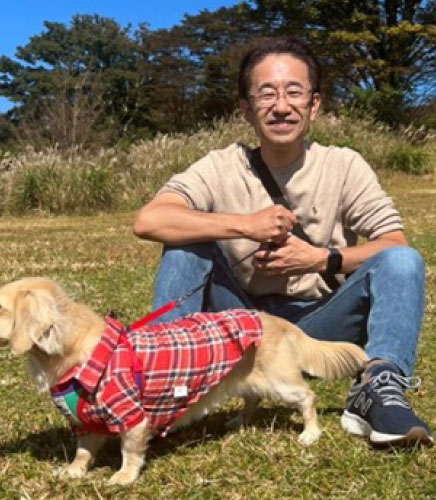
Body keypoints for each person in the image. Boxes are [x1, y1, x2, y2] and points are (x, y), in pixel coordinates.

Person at [133, 37, 432, 447]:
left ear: (314, 105)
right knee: (187, 243)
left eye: (295, 92)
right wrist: (244, 226)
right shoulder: (219, 166)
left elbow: (393, 244)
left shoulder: (344, 165)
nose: (280, 105)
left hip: (318, 321)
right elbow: (149, 220)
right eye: (266, 93)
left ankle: (378, 387)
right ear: (245, 109)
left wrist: (319, 259)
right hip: (241, 322)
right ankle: (163, 383)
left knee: (403, 261)